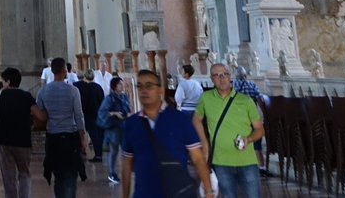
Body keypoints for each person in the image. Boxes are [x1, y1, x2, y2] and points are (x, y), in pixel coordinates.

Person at [121, 68, 215, 198]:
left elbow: (198, 158)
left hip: (177, 192)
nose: (144, 91)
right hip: (145, 193)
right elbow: (127, 163)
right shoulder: (131, 123)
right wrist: (125, 195)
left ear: (160, 90)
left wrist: (208, 190)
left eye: (149, 86)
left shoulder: (179, 119)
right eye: (140, 86)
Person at [194, 63, 263, 198]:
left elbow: (260, 130)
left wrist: (248, 139)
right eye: (217, 75)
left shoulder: (246, 101)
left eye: (225, 74)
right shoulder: (205, 98)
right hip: (221, 162)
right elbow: (196, 120)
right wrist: (205, 144)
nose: (222, 78)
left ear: (230, 77)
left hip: (247, 161)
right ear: (211, 78)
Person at [0, 66, 45, 198]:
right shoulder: (26, 96)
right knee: (24, 172)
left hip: (3, 139)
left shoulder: (0, 94)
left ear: (8, 81)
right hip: (22, 139)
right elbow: (40, 116)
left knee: (8, 175)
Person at [35, 56, 87, 198]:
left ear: (52, 71)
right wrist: (83, 137)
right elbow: (78, 115)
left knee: (58, 175)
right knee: (70, 174)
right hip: (70, 136)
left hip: (53, 137)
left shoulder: (43, 91)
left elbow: (39, 114)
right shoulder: (73, 91)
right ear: (65, 71)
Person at [231, 67, 269, 175]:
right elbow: (260, 100)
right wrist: (265, 115)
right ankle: (262, 167)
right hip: (252, 118)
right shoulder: (251, 85)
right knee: (256, 142)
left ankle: (242, 165)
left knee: (239, 141)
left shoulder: (232, 86)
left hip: (237, 119)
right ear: (245, 75)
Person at [96, 75, 130, 183]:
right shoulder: (109, 98)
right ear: (115, 86)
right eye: (120, 84)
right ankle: (112, 173)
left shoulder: (124, 97)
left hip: (123, 126)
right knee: (114, 151)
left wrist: (127, 115)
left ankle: (126, 171)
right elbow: (102, 112)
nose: (122, 85)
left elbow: (127, 108)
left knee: (126, 150)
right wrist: (114, 113)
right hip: (113, 128)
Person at [73, 69, 105, 162]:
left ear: (84, 76)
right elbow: (102, 102)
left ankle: (80, 153)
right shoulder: (98, 87)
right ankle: (98, 155)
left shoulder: (80, 86)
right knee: (96, 136)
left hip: (83, 114)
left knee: (80, 135)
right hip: (95, 114)